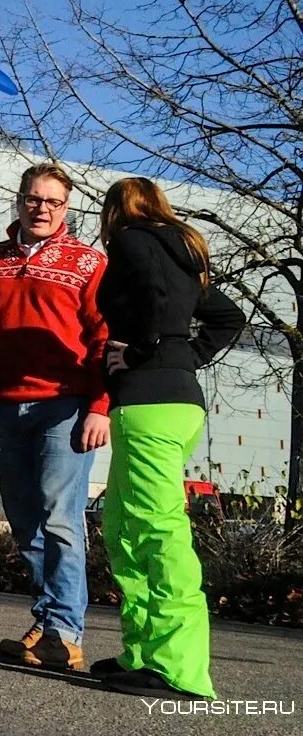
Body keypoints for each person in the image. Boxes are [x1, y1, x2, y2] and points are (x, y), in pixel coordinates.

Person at [0, 163, 110, 670]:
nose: (42, 209)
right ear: (20, 200)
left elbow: (102, 340)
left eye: (53, 202)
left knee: (60, 518)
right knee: (26, 520)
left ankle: (66, 633)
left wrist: (100, 407)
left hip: (65, 405)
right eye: (34, 199)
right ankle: (47, 619)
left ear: (67, 208)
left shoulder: (87, 263)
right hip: (6, 405)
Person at [92, 177, 244, 700]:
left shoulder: (137, 240)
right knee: (125, 528)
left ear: (116, 211)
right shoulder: (184, 253)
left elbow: (155, 307)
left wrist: (142, 352)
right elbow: (227, 317)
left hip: (152, 403)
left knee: (158, 531)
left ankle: (180, 669)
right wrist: (185, 355)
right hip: (172, 400)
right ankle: (143, 652)